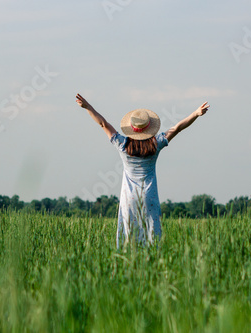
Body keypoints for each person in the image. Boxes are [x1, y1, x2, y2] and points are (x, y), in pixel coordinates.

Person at [75, 93, 210, 248]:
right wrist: (195, 114)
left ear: (131, 129)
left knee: (129, 237)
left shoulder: (122, 144)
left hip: (128, 199)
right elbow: (177, 128)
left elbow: (103, 124)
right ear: (149, 128)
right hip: (149, 196)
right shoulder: (156, 144)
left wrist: (88, 107)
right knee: (152, 237)